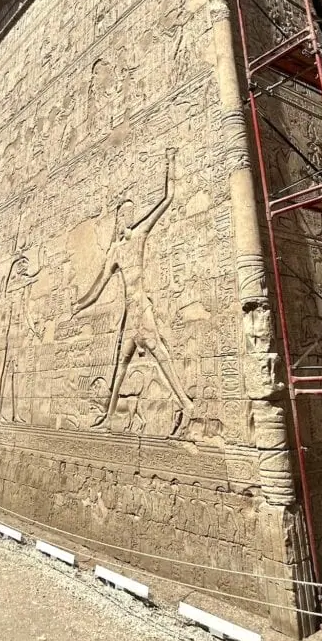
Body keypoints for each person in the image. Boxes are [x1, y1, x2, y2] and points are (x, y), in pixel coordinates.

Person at [72, 148, 193, 436]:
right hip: (130, 313)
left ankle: (186, 405)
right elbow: (99, 286)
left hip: (142, 308)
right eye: (123, 214)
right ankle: (108, 415)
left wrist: (171, 164)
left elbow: (167, 200)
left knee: (161, 356)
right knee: (121, 363)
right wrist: (79, 305)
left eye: (130, 213)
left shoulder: (138, 237)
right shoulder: (115, 251)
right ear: (118, 219)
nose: (127, 218)